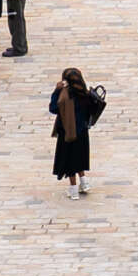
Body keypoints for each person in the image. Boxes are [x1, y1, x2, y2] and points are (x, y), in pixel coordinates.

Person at [50, 67, 100, 197]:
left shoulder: (64, 95)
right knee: (79, 157)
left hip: (67, 133)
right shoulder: (86, 94)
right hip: (82, 132)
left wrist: (56, 91)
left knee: (69, 160)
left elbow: (53, 108)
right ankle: (84, 183)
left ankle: (73, 189)